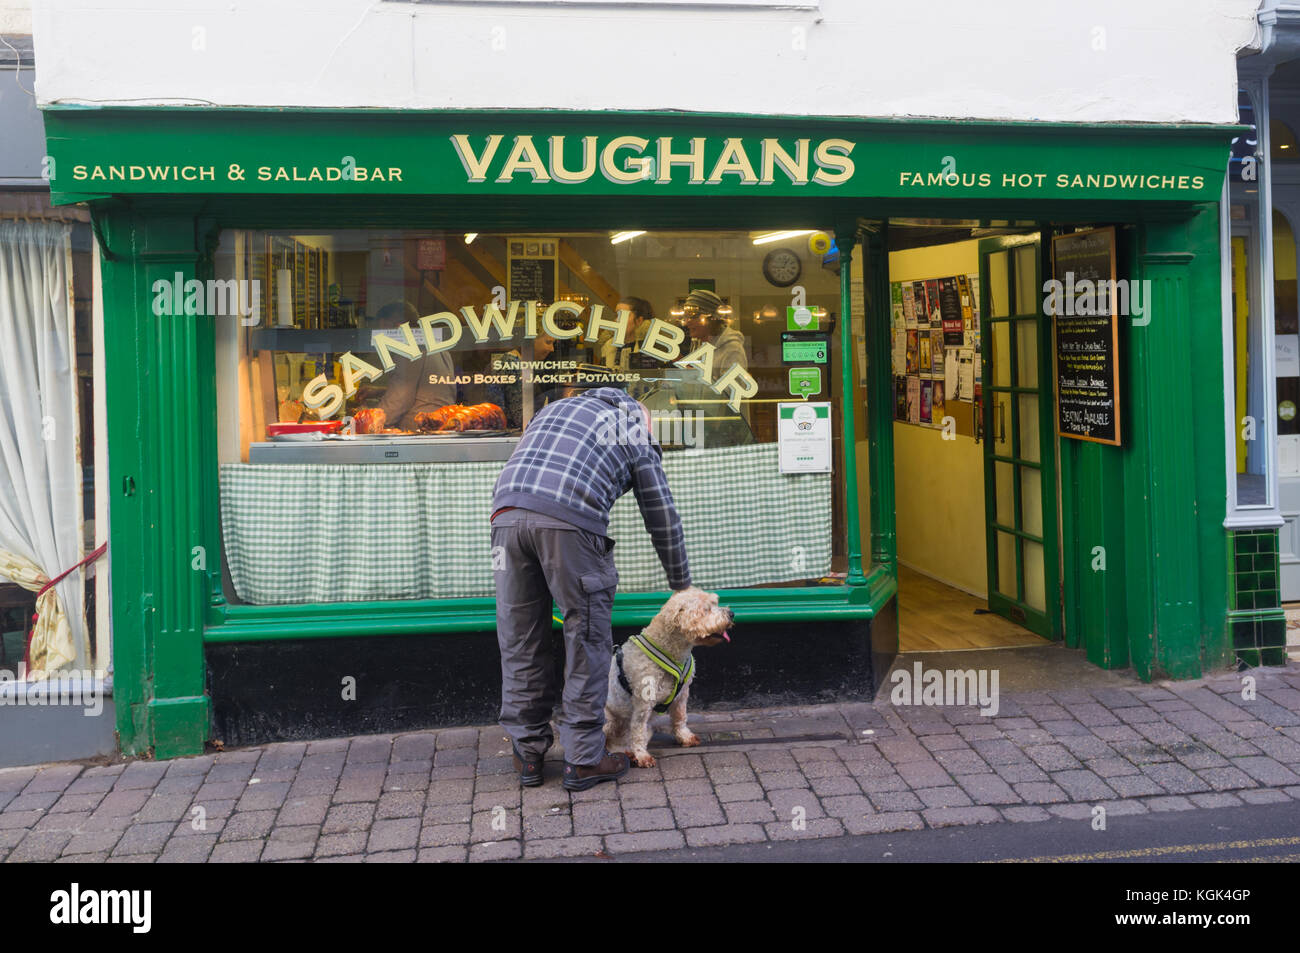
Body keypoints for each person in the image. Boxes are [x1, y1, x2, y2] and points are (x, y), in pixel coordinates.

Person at [490, 385, 691, 791]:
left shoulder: (555, 409)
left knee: (521, 636)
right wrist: (681, 583)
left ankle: (528, 753)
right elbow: (660, 512)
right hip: (569, 523)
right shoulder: (632, 424)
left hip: (506, 518)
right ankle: (583, 759)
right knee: (587, 637)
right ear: (640, 415)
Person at [369, 301, 457, 430]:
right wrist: (379, 391)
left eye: (383, 331)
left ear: (397, 326)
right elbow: (425, 388)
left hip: (420, 430)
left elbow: (399, 401)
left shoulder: (410, 347)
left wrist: (370, 422)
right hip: (440, 425)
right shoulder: (436, 343)